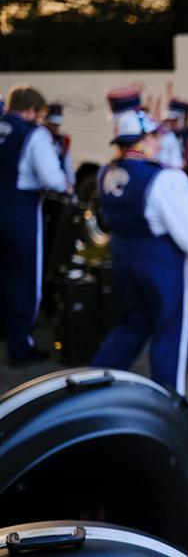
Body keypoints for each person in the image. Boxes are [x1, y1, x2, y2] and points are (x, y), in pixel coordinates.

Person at [91, 111, 188, 426]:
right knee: (172, 330)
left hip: (125, 257)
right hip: (162, 261)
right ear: (145, 139)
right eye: (154, 136)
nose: (158, 141)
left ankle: (92, 382)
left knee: (133, 323)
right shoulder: (165, 177)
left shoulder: (106, 173)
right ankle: (171, 405)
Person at [0, 84, 71, 366]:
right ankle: (20, 346)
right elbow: (51, 178)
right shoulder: (34, 134)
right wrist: (65, 185)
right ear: (31, 111)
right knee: (25, 281)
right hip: (21, 211)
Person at [45, 103, 74, 186]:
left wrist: (70, 183)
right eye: (53, 125)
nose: (55, 128)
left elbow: (67, 165)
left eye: (57, 125)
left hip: (59, 183)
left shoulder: (63, 140)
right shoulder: (41, 138)